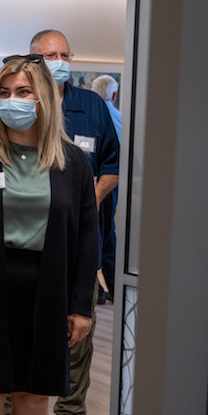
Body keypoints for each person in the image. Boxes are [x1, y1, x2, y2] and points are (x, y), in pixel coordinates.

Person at [0, 54, 99, 415]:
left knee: (33, 398)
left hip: (49, 292)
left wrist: (81, 306)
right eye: (4, 92)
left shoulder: (72, 161)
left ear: (43, 98)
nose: (11, 100)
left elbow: (87, 237)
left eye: (22, 91)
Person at [30, 30, 119, 415]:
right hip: (26, 242)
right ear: (34, 60)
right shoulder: (18, 100)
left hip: (79, 241)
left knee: (77, 330)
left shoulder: (92, 105)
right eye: (51, 55)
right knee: (23, 332)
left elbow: (113, 164)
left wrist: (84, 201)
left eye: (65, 54)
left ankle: (71, 410)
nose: (60, 61)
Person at [91, 74, 122, 299]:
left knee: (97, 233)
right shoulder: (119, 118)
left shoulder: (93, 116)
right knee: (106, 231)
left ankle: (101, 289)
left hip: (97, 182)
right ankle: (109, 287)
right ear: (113, 94)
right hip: (111, 183)